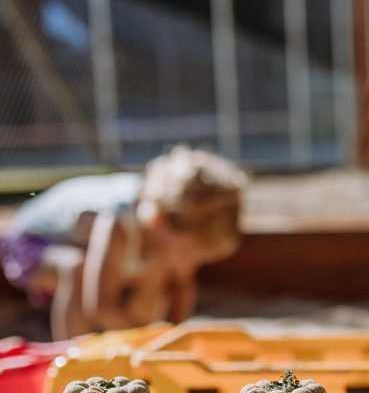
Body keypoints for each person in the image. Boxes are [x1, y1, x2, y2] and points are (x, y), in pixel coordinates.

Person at [1, 146, 247, 340]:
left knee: (157, 272)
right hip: (27, 246)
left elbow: (182, 286)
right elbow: (97, 306)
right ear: (160, 220)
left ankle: (127, 357)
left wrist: (173, 339)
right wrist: (144, 339)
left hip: (85, 248)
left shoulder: (164, 226)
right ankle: (75, 363)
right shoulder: (116, 224)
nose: (191, 263)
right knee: (77, 267)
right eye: (188, 252)